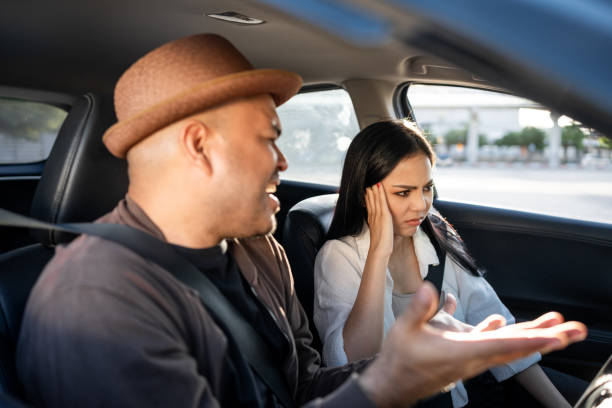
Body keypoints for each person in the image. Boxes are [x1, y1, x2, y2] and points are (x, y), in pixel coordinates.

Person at [16, 34, 586, 408]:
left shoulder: (260, 252)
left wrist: (403, 365)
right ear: (200, 145)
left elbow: (303, 387)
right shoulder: (98, 300)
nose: (284, 164)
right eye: (269, 139)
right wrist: (391, 384)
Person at [314, 119, 579, 407]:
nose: (421, 205)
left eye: (426, 188)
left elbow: (501, 333)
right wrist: (379, 252)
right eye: (403, 193)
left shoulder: (436, 236)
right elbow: (354, 364)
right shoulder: (338, 257)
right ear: (367, 196)